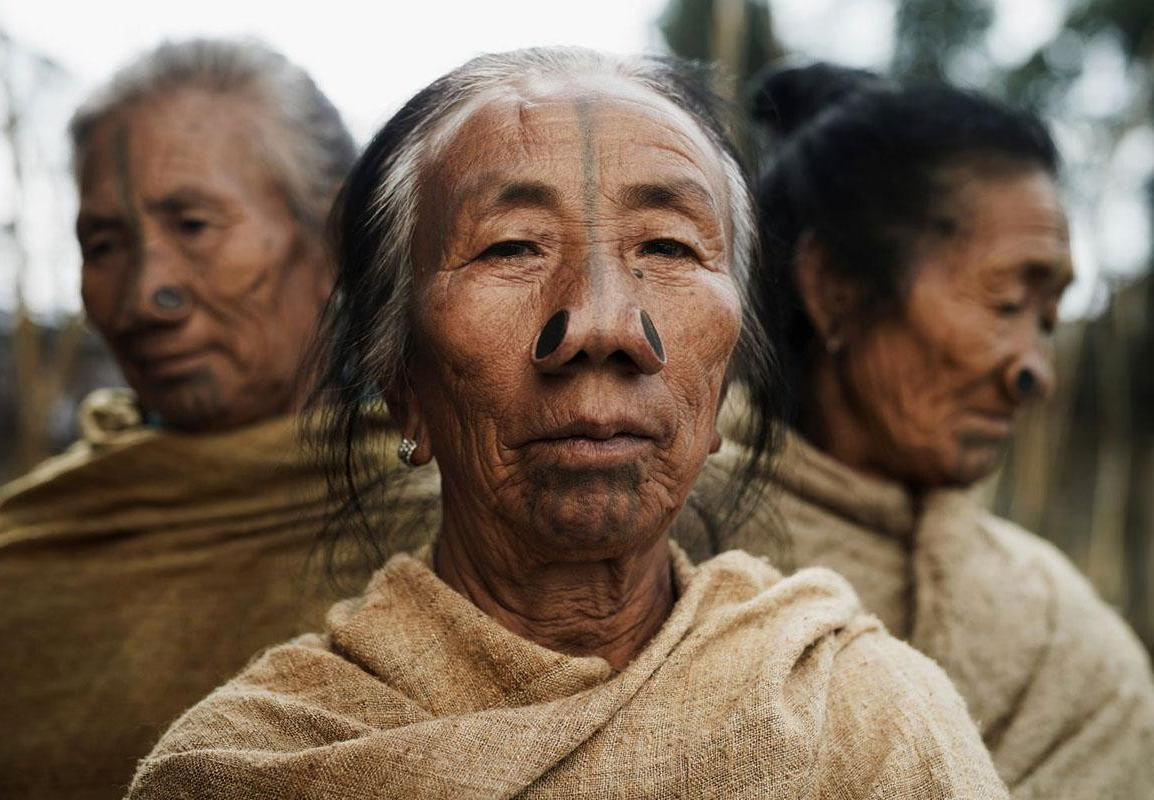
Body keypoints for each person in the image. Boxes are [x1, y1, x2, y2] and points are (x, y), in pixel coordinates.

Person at [125, 47, 1007, 800]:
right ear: (401, 382)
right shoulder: (255, 764)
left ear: (727, 380)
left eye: (668, 247)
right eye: (511, 247)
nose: (601, 326)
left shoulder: (865, 719)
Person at [0, 39, 437, 800]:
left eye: (193, 224)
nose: (147, 295)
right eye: (103, 244)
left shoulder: (460, 529)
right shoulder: (21, 551)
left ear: (339, 234)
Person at [691, 62, 1154, 799]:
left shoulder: (1070, 645)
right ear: (836, 289)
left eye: (1046, 320)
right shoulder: (635, 553)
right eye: (1006, 300)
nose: (1038, 372)